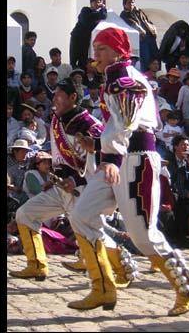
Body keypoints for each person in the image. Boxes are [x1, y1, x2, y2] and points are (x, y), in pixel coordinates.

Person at [67, 27, 189, 315]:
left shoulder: (125, 80)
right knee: (81, 215)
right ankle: (103, 287)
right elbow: (117, 125)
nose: (96, 55)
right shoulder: (114, 79)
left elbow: (125, 126)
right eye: (95, 49)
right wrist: (98, 147)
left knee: (142, 233)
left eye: (102, 48)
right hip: (117, 160)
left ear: (118, 51)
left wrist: (110, 158)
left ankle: (187, 285)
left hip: (135, 161)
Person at [10, 78, 137, 286]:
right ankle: (37, 264)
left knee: (90, 232)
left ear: (73, 97)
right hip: (61, 188)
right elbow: (60, 156)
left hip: (82, 189)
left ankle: (124, 267)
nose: (55, 99)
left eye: (59, 96)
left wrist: (74, 178)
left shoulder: (87, 124)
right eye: (55, 95)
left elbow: (105, 151)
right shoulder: (56, 119)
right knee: (25, 214)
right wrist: (58, 177)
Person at [119, 0, 159, 72]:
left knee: (155, 58)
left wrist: (153, 29)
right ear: (124, 4)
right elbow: (132, 23)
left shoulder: (139, 11)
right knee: (145, 59)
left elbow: (148, 21)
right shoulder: (124, 14)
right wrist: (140, 30)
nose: (131, 4)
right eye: (129, 3)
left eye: (132, 3)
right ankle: (146, 75)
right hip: (141, 39)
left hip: (150, 37)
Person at [70, 0, 107, 69]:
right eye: (96, 2)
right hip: (77, 37)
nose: (97, 4)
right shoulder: (85, 10)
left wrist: (103, 8)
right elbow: (85, 20)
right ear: (91, 3)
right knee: (73, 59)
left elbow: (104, 15)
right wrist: (101, 11)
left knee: (83, 60)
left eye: (99, 2)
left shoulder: (97, 15)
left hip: (85, 40)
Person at [7, 139, 34, 207]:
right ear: (15, 151)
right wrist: (12, 187)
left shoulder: (29, 160)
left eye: (26, 152)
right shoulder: (8, 162)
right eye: (22, 152)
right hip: (12, 192)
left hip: (27, 193)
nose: (25, 154)